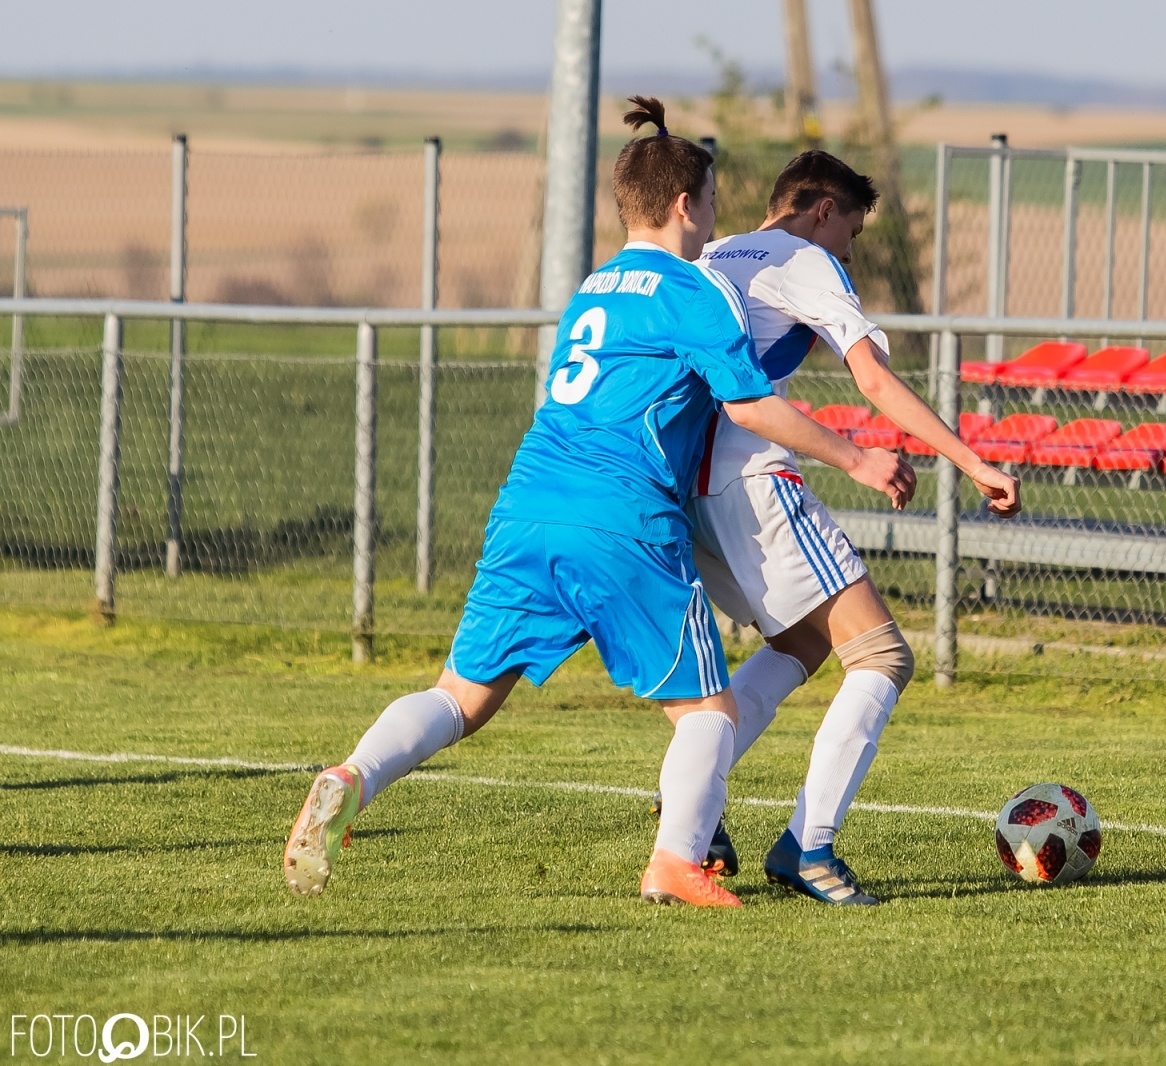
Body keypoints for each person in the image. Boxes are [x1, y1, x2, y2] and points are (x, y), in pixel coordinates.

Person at [281, 98, 915, 908]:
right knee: (709, 714)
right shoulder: (694, 291)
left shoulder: (592, 289)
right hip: (623, 516)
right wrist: (858, 455)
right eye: (715, 201)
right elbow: (750, 405)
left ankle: (352, 775)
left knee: (460, 697)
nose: (719, 217)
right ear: (686, 204)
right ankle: (676, 861)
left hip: (527, 506)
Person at [684, 150, 1021, 905]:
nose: (849, 254)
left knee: (802, 643)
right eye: (852, 236)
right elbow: (871, 378)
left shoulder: (708, 253)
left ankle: (693, 808)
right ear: (822, 210)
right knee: (882, 657)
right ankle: (809, 847)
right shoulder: (803, 256)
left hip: (687, 489)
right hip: (750, 478)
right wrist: (971, 461)